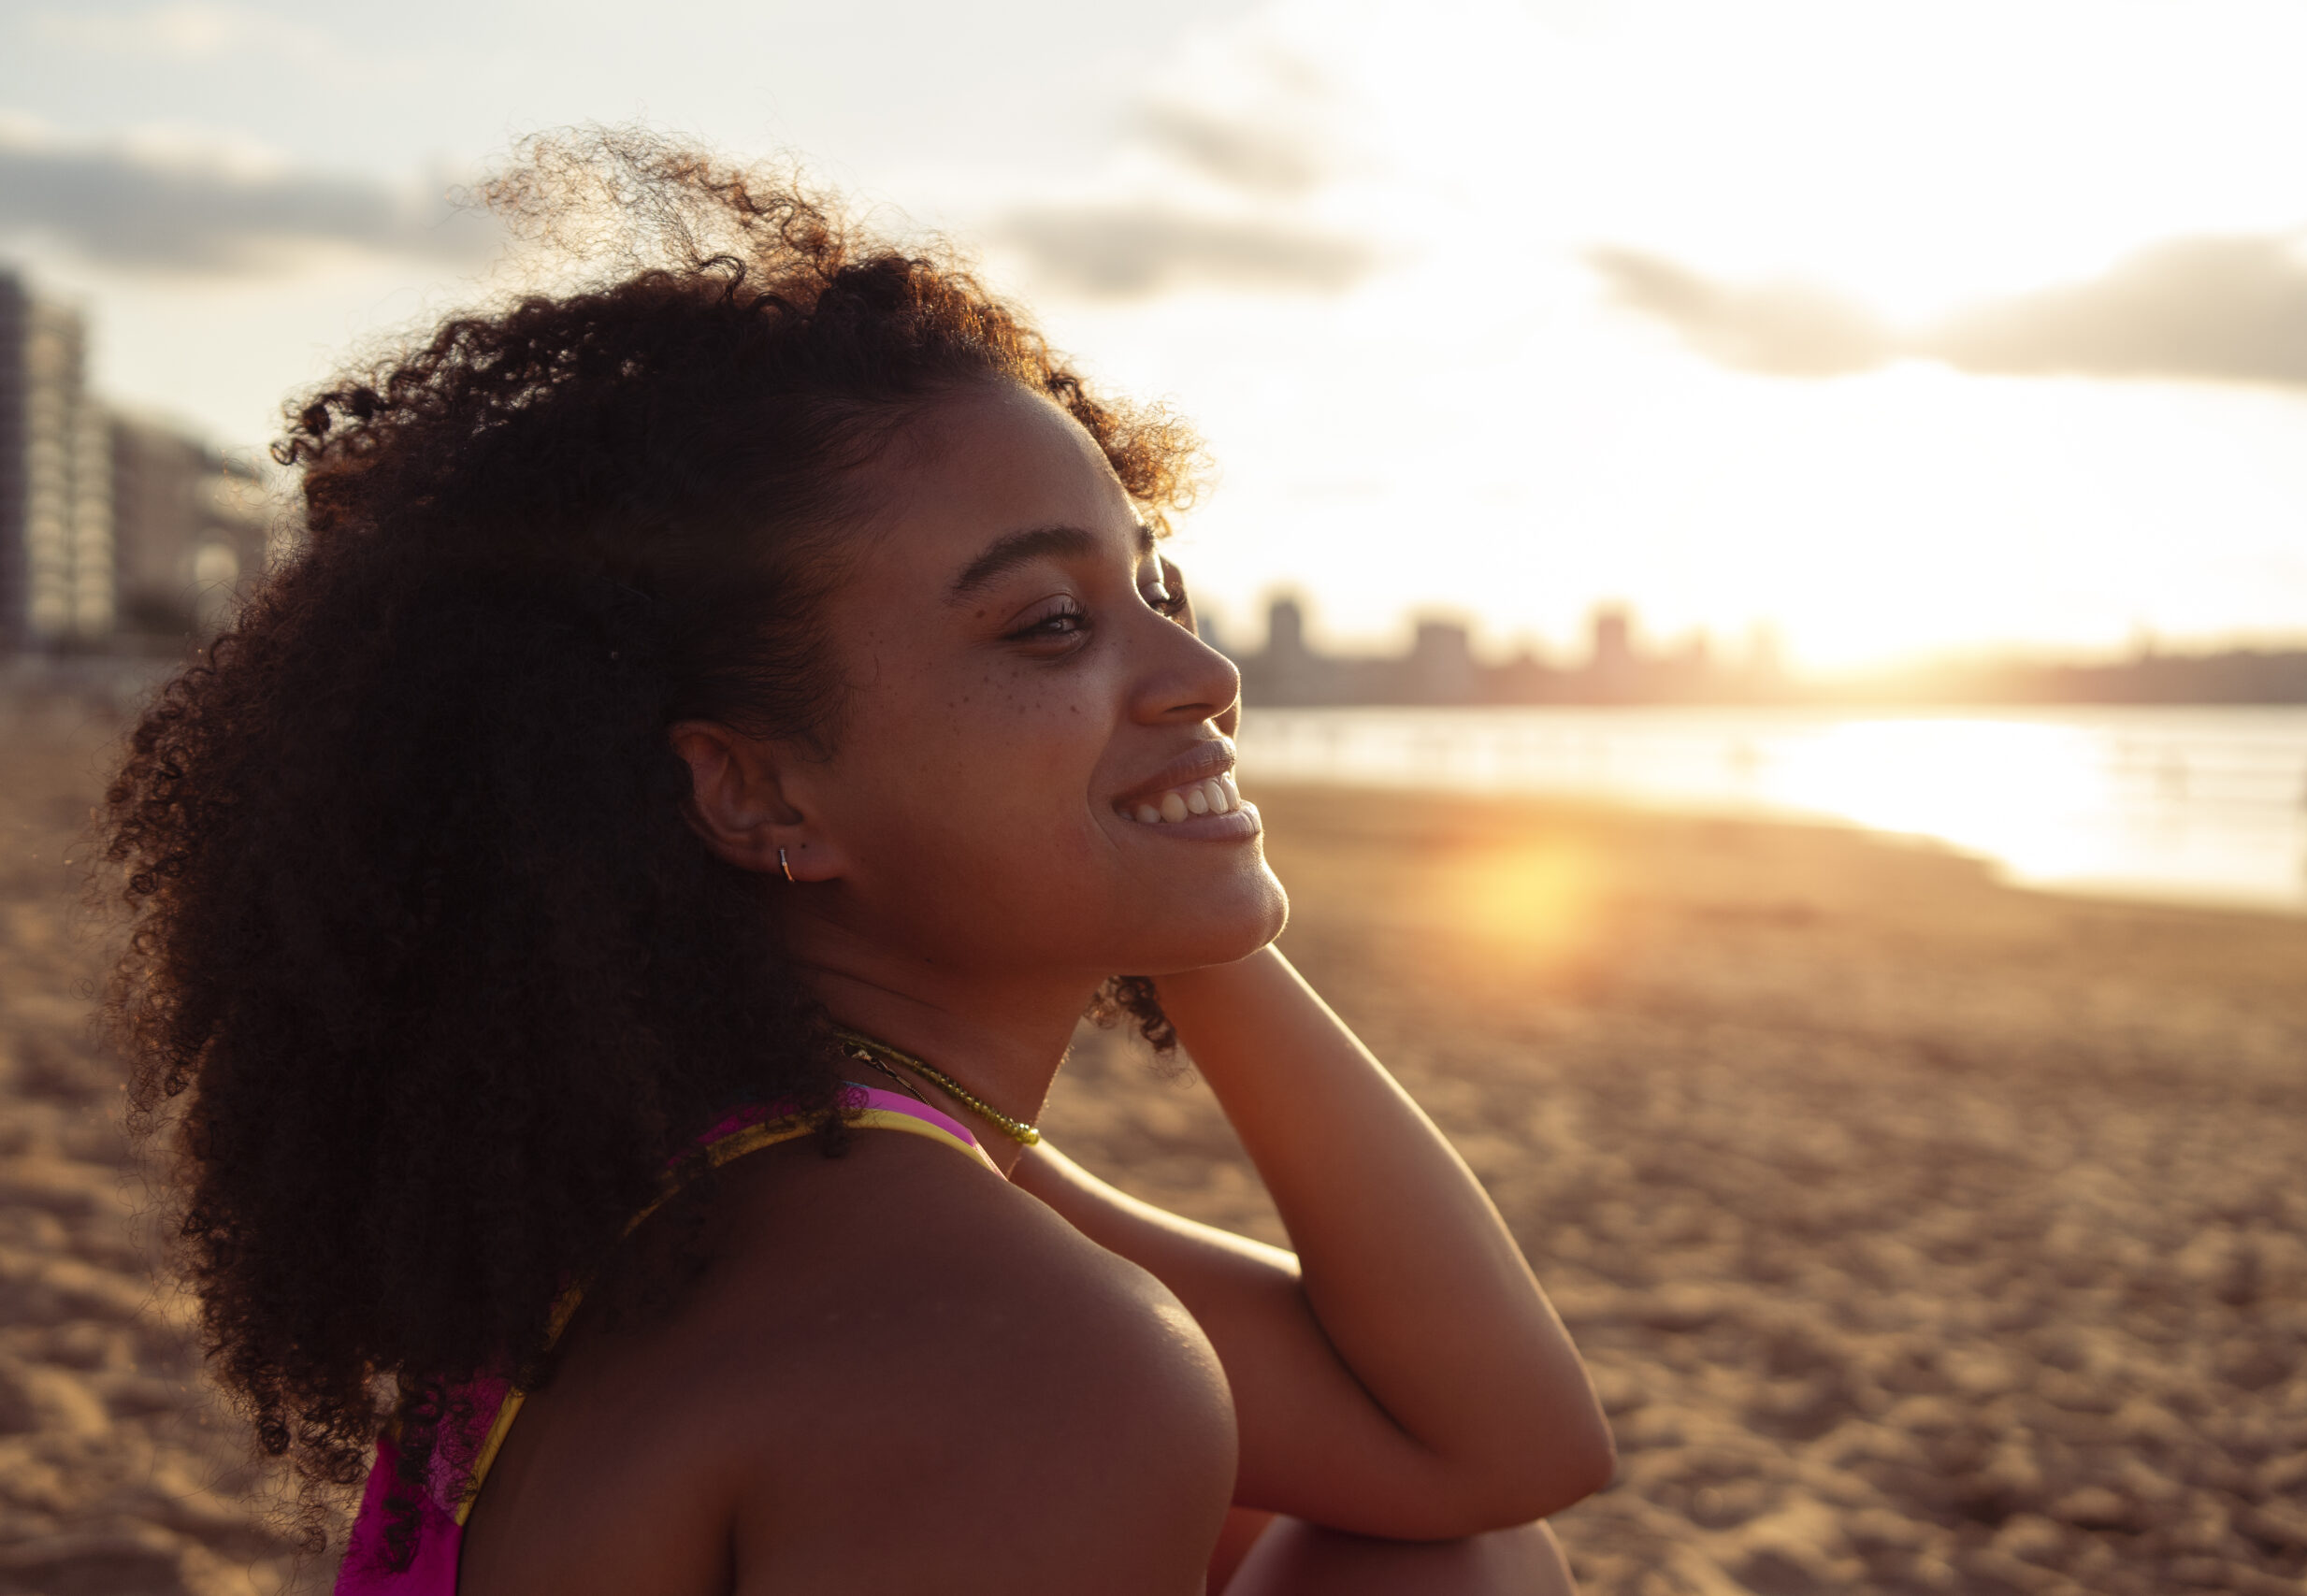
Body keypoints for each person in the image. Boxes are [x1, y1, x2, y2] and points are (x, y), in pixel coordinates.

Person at [101, 132, 1613, 1594]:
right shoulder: (1002, 1345)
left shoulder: (783, 1163)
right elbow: (1489, 1443)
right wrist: (1166, 837)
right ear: (762, 795)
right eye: (1048, 625)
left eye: (1159, 585)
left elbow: (1484, 1455)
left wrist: (1182, 874)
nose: (1204, 671)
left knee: (1441, 1556)